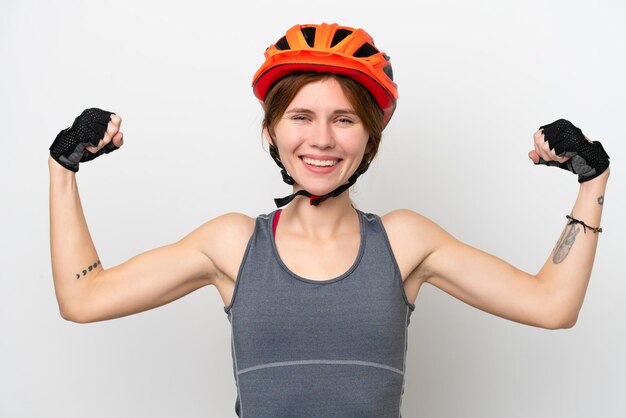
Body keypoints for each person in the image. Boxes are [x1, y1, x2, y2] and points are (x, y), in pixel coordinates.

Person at [48, 22, 610, 417]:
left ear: (369, 138)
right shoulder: (233, 244)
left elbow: (551, 305)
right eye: (301, 116)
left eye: (343, 118)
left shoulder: (404, 241)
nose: (321, 139)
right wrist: (63, 169)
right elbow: (85, 298)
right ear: (272, 131)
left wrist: (592, 183)